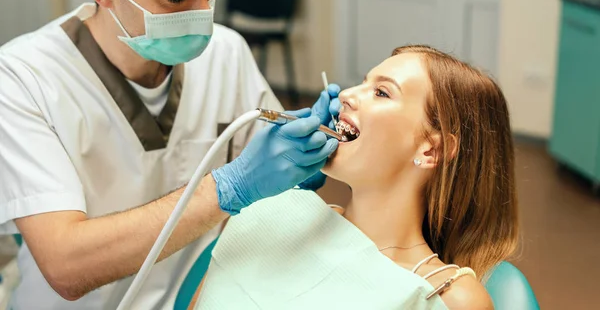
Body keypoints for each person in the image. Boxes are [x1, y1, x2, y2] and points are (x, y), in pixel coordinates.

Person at [0, 0, 340, 309]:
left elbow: (273, 183)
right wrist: (231, 186)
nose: (201, 13)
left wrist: (302, 162)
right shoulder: (22, 77)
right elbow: (66, 266)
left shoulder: (226, 52)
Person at [190, 45, 519, 309]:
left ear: (431, 150)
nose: (346, 94)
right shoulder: (272, 213)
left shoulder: (447, 296)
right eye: (363, 82)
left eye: (381, 93)